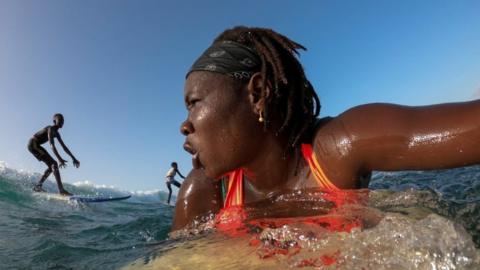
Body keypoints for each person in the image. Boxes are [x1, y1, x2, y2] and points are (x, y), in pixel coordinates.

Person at [171, 26, 480, 231]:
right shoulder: (204, 193)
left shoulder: (335, 149)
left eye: (194, 102)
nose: (185, 124)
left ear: (257, 94)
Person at [28, 113, 80, 196]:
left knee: (51, 166)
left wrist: (73, 158)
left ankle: (38, 186)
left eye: (63, 121)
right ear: (54, 121)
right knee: (54, 163)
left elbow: (64, 147)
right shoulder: (50, 129)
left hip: (37, 145)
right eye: (60, 120)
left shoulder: (57, 134)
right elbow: (52, 145)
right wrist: (59, 158)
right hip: (33, 144)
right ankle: (61, 190)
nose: (62, 122)